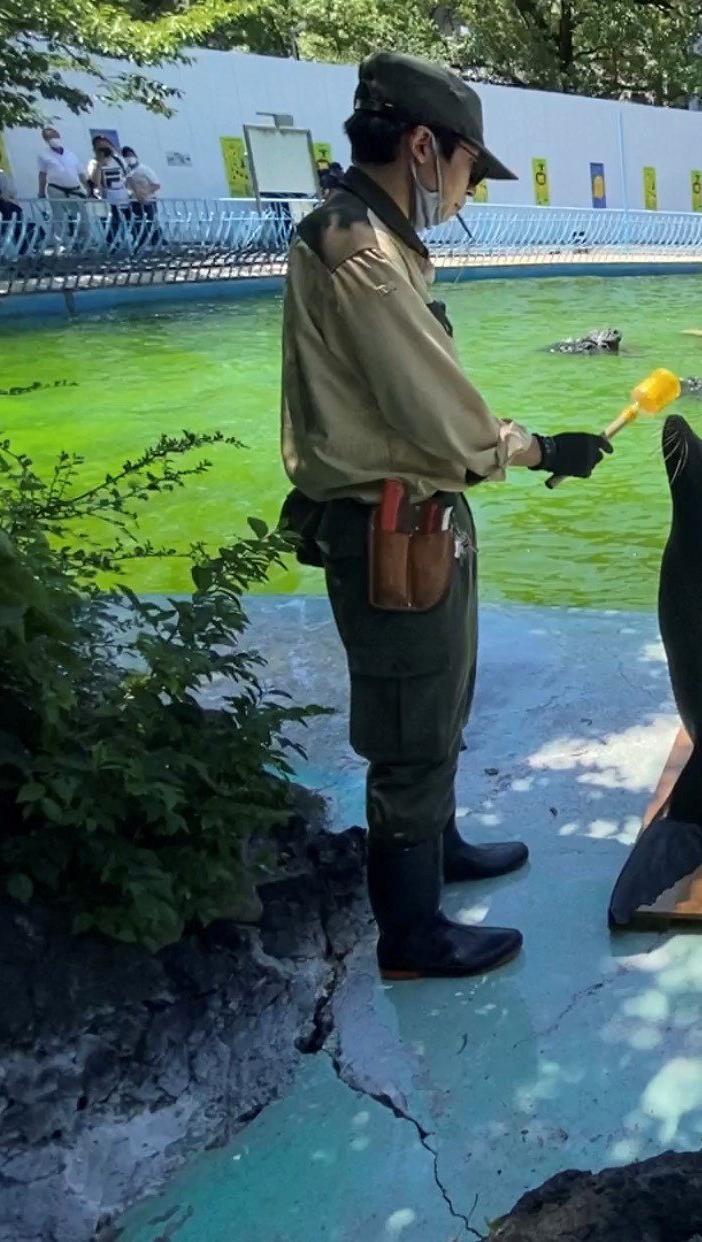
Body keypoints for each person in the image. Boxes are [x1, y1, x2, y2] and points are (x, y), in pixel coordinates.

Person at [277, 52, 616, 981]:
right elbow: (437, 411)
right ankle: (412, 935)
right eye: (470, 168)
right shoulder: (356, 250)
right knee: (407, 726)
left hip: (422, 520)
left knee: (440, 700)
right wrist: (543, 447)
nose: (469, 191)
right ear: (423, 147)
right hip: (390, 526)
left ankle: (442, 845)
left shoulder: (378, 239)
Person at [36, 127, 89, 247]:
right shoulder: (44, 155)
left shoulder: (70, 154)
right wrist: (41, 191)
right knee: (59, 217)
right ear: (45, 140)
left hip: (74, 189)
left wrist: (87, 187)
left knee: (82, 216)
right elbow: (43, 173)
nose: (53, 139)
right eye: (49, 137)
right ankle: (61, 243)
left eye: (54, 136)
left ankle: (85, 241)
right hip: (56, 188)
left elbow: (80, 172)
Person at [87, 137, 130, 246]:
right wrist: (99, 165)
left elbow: (128, 176)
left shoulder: (119, 160)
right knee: (112, 224)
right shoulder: (93, 162)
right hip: (107, 199)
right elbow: (94, 182)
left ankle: (128, 244)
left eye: (106, 146)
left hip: (123, 197)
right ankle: (112, 245)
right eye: (100, 147)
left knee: (128, 222)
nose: (104, 149)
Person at [121, 145, 162, 247]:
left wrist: (144, 193)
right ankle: (140, 244)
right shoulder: (125, 171)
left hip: (148, 201)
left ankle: (157, 243)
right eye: (126, 156)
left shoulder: (144, 169)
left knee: (151, 223)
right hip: (134, 202)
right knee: (137, 224)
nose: (129, 158)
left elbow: (156, 184)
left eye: (130, 155)